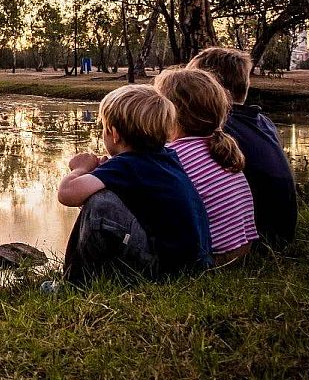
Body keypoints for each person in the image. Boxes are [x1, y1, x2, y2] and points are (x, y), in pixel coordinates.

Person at [58, 84, 211, 285]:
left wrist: (80, 168)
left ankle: (74, 282)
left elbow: (67, 194)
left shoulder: (127, 165)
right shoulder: (165, 158)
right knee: (104, 197)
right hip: (192, 264)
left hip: (164, 270)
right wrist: (102, 175)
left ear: (114, 133)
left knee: (99, 204)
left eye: (103, 127)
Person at [189, 47, 297, 249]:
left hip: (247, 239)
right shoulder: (263, 122)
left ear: (209, 88)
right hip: (281, 233)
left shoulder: (216, 129)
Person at [154, 68, 259, 264]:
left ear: (168, 112)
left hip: (209, 257)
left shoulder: (173, 156)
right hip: (239, 251)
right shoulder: (220, 149)